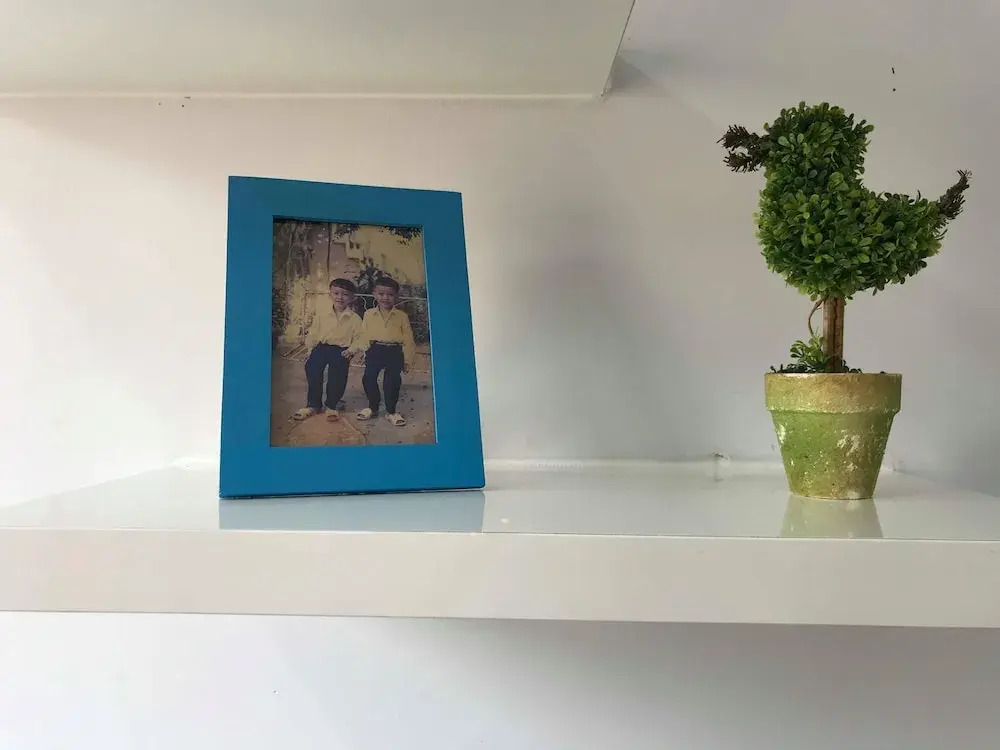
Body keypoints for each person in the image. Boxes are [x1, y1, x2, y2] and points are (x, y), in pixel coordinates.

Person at [292, 278, 363, 422]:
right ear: (330, 294)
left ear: (352, 298)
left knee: (338, 374)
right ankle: (313, 404)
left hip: (341, 350)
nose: (340, 297)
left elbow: (360, 338)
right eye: (336, 293)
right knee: (312, 368)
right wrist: (310, 350)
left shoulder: (354, 318)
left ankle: (332, 405)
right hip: (321, 347)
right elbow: (313, 334)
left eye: (345, 294)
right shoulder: (322, 315)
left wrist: (351, 350)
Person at [356, 277, 415, 426]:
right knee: (368, 378)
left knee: (392, 381)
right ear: (374, 294)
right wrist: (365, 351)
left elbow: (408, 339)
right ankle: (373, 407)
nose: (385, 298)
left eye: (390, 294)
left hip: (394, 351)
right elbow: (364, 334)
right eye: (381, 294)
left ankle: (391, 411)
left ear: (396, 296)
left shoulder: (401, 316)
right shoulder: (369, 314)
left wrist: (407, 360)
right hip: (375, 349)